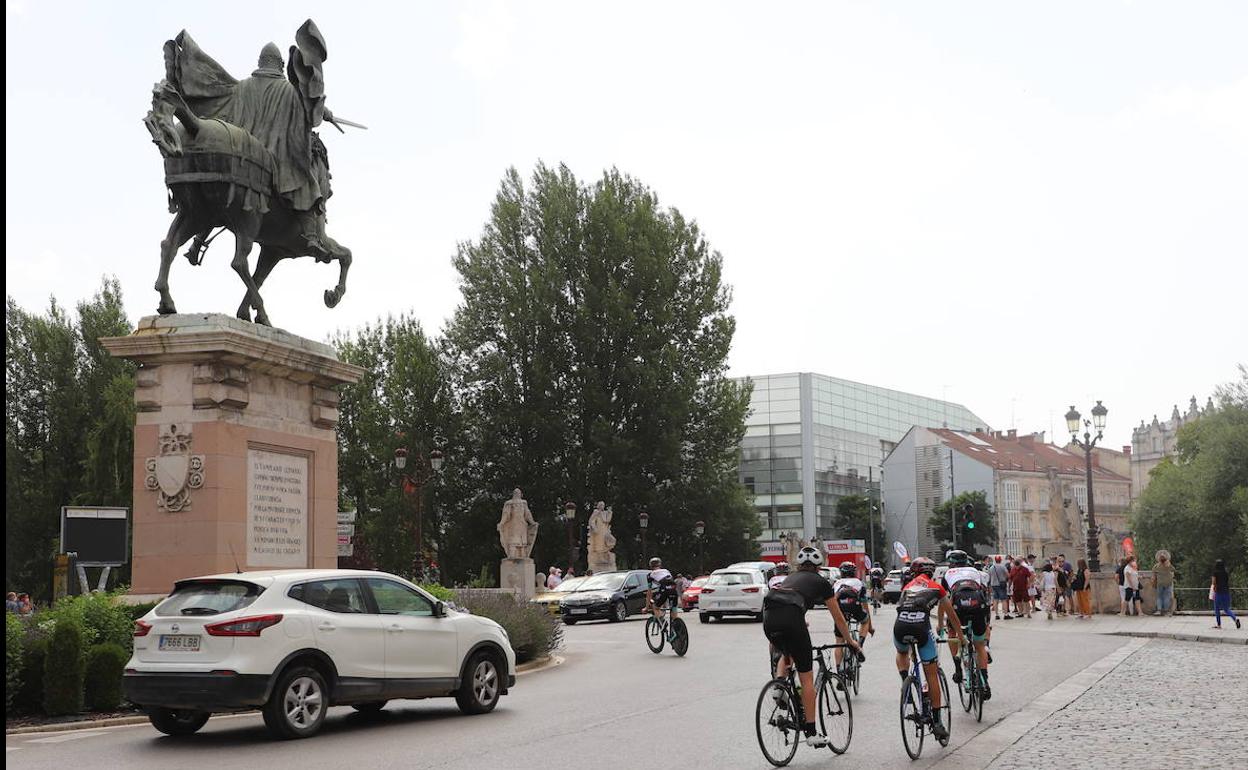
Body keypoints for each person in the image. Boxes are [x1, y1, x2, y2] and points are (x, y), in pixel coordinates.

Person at [763, 546, 862, 748]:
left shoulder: (790, 577)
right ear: (819, 566)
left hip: (770, 618)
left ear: (799, 565)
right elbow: (838, 617)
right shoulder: (822, 582)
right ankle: (811, 732)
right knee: (807, 678)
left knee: (786, 650)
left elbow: (788, 602)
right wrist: (850, 642)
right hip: (791, 619)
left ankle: (780, 685)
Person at [893, 557, 961, 742]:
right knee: (931, 674)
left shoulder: (906, 588)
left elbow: (901, 609)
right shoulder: (936, 587)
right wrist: (960, 637)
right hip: (921, 629)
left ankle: (906, 683)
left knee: (901, 652)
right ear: (932, 573)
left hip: (900, 628)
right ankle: (938, 722)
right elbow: (951, 614)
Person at [941, 550, 992, 700]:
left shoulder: (948, 573)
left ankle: (958, 668)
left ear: (951, 562)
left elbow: (944, 598)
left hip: (958, 607)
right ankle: (985, 682)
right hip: (978, 605)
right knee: (979, 645)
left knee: (952, 634)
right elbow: (985, 592)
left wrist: (944, 621)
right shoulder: (976, 572)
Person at [832, 561, 874, 673]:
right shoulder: (859, 583)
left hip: (840, 609)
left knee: (839, 642)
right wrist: (870, 626)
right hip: (854, 607)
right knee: (865, 621)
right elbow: (865, 605)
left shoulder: (836, 583)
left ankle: (839, 671)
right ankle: (858, 645)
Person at [644, 557, 678, 631]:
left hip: (664, 589)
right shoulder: (666, 571)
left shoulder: (650, 575)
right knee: (673, 608)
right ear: (660, 565)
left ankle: (662, 622)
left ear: (650, 566)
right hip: (673, 589)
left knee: (656, 607)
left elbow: (649, 592)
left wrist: (646, 608)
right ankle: (676, 628)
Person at [1211, 559, 1240, 630]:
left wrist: (1214, 588)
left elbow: (1214, 582)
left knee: (1217, 608)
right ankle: (1235, 619)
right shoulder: (1226, 573)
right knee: (1226, 609)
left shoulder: (1215, 573)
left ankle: (1219, 625)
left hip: (1218, 592)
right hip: (1226, 592)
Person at [987, 555, 1011, 620]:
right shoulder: (1002, 567)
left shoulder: (991, 568)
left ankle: (997, 615)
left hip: (993, 585)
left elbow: (989, 577)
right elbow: (1008, 575)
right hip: (1001, 585)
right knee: (1003, 599)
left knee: (995, 599)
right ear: (1000, 560)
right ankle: (1006, 614)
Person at [1152, 552, 1175, 616]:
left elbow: (1153, 575)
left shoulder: (1156, 566)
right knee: (1167, 597)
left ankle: (1159, 610)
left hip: (1160, 583)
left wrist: (1153, 582)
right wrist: (1168, 563)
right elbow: (1173, 570)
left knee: (1159, 597)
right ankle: (1166, 611)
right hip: (1168, 583)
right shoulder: (1169, 565)